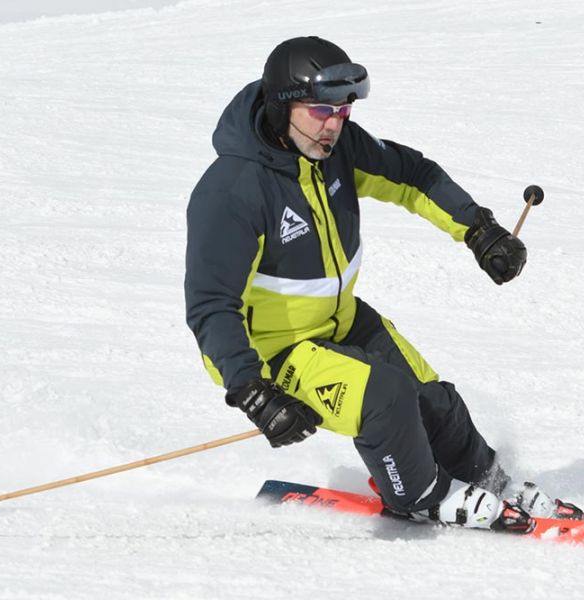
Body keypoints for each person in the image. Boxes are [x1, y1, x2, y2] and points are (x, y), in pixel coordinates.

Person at [185, 36, 562, 531]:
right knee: (385, 398)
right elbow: (211, 306)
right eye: (322, 110)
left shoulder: (335, 148)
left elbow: (412, 175)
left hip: (339, 321)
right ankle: (420, 495)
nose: (335, 124)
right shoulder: (233, 189)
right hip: (271, 353)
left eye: (343, 110)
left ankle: (484, 479)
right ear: (282, 106)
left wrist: (479, 229)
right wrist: (252, 390)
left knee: (430, 395)